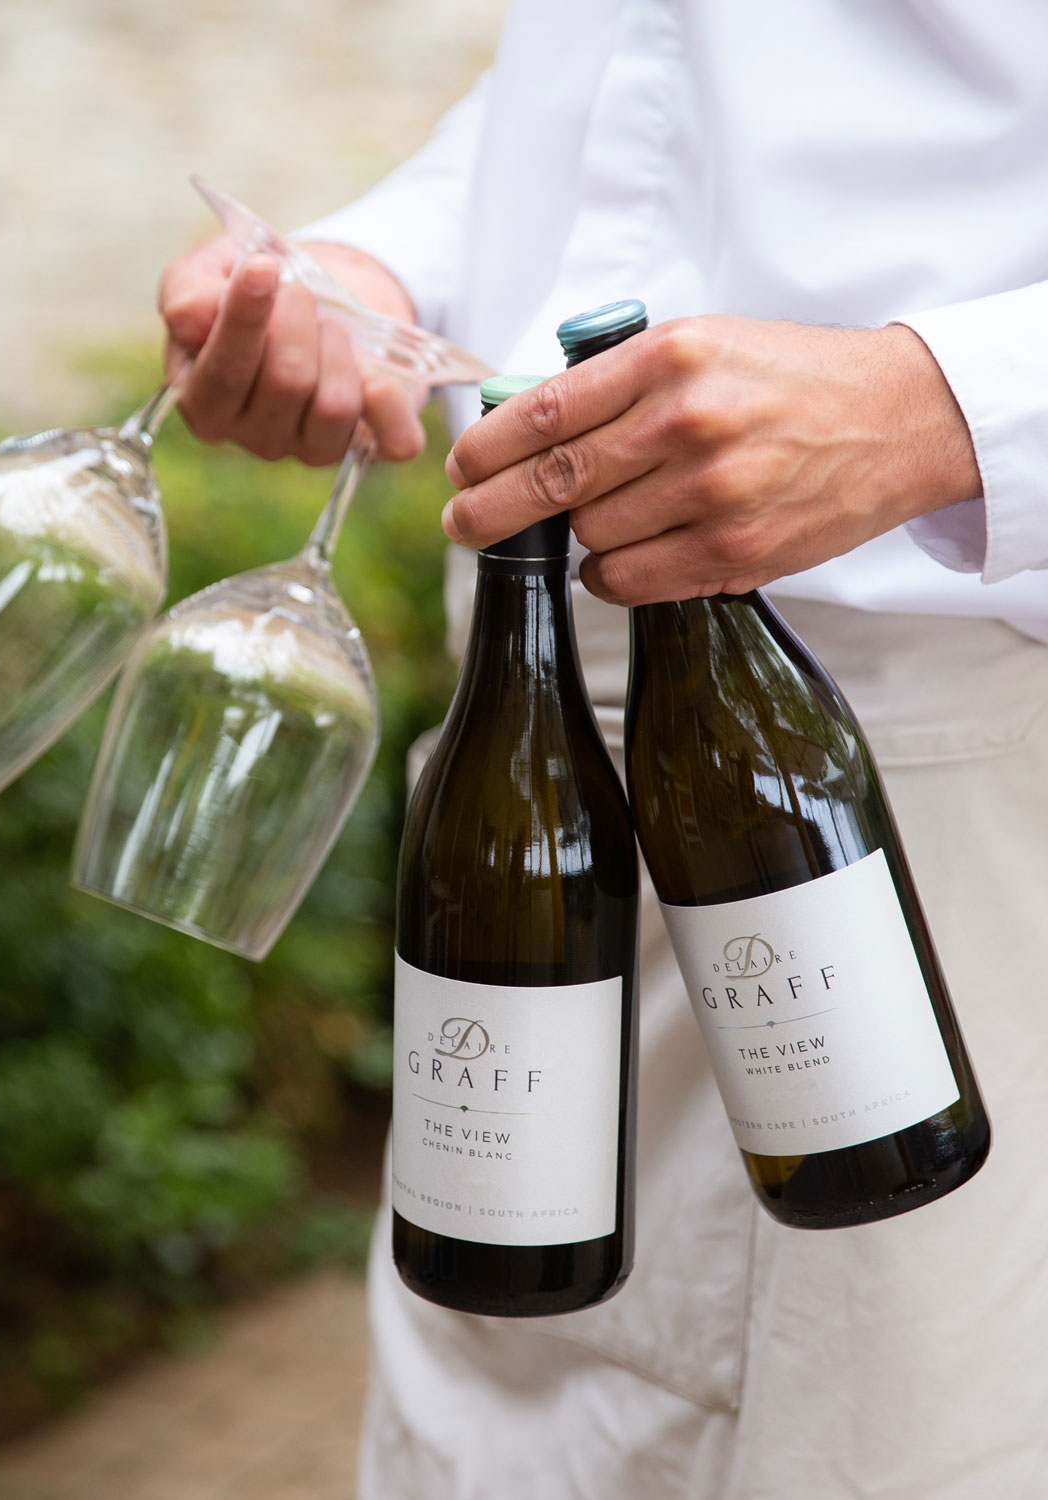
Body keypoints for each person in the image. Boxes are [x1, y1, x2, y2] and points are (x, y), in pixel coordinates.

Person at [158, 3, 1048, 1495]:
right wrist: (378, 272)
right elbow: (637, 75)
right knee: (487, 1418)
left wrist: (948, 406)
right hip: (534, 673)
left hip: (893, 748)